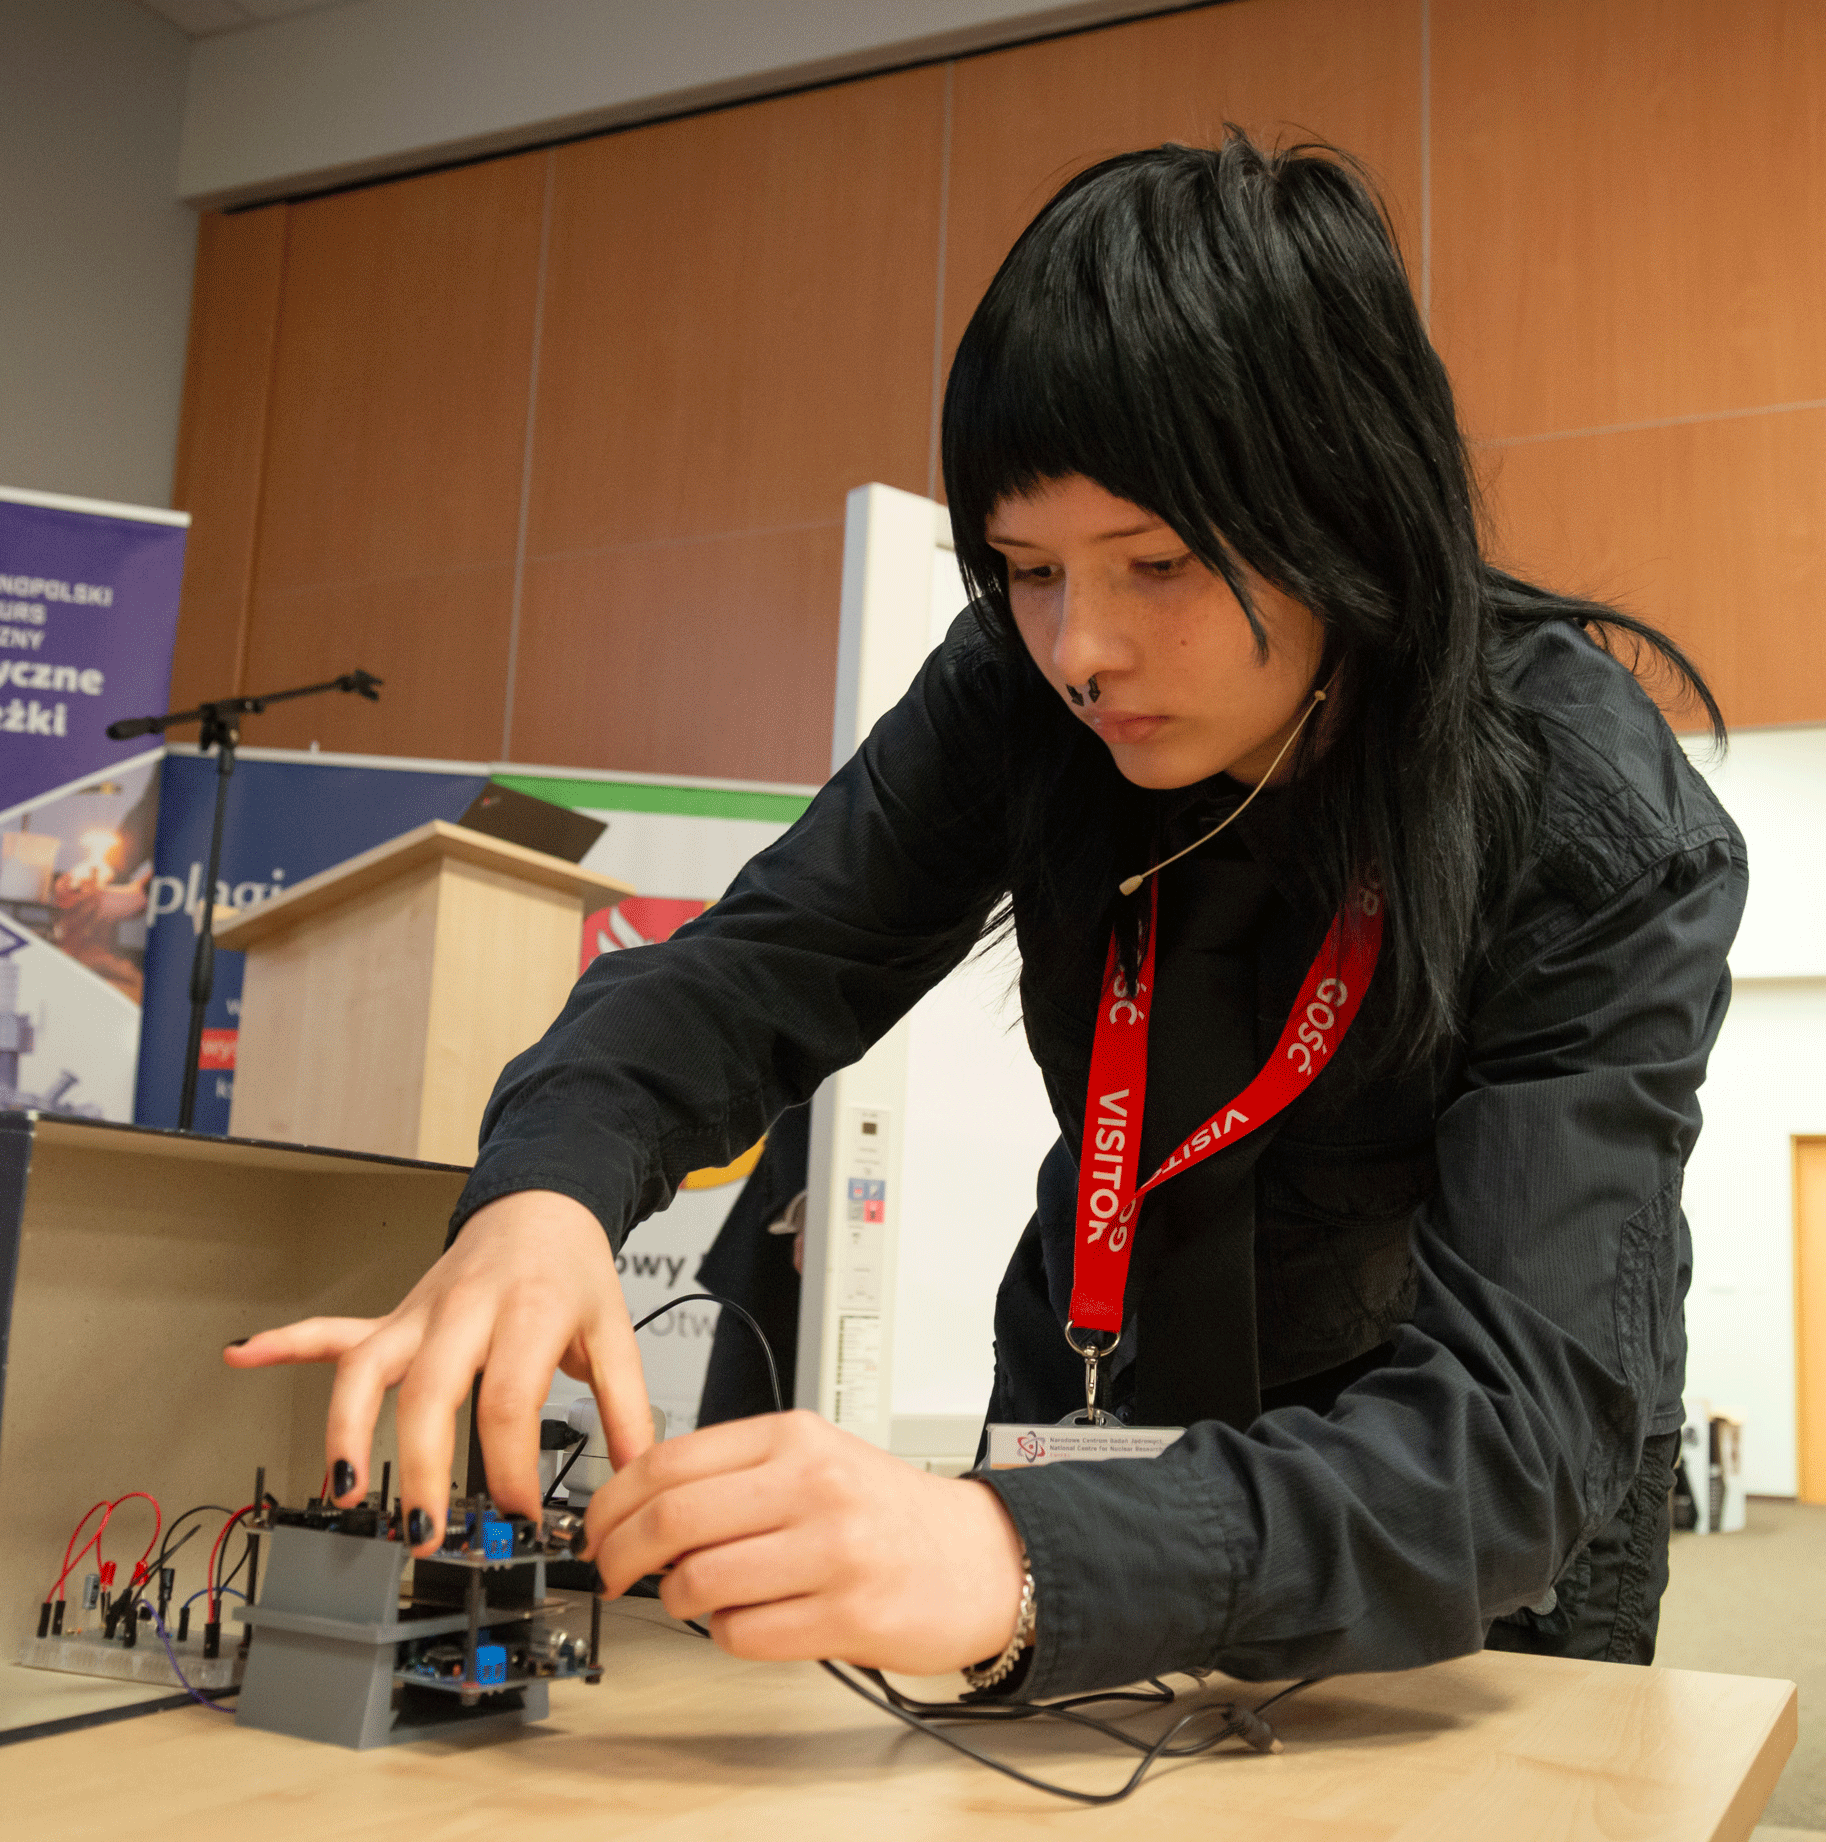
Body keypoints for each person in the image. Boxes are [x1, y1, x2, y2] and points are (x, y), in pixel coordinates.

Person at [229, 135, 1743, 1695]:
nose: (1079, 649)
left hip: (1444, 1532)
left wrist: (1013, 1553)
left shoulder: (1589, 822)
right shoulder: (1015, 693)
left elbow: (1510, 1436)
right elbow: (754, 970)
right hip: (1098, 1417)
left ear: (1345, 511)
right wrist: (544, 1190)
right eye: (1026, 569)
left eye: (1157, 562)